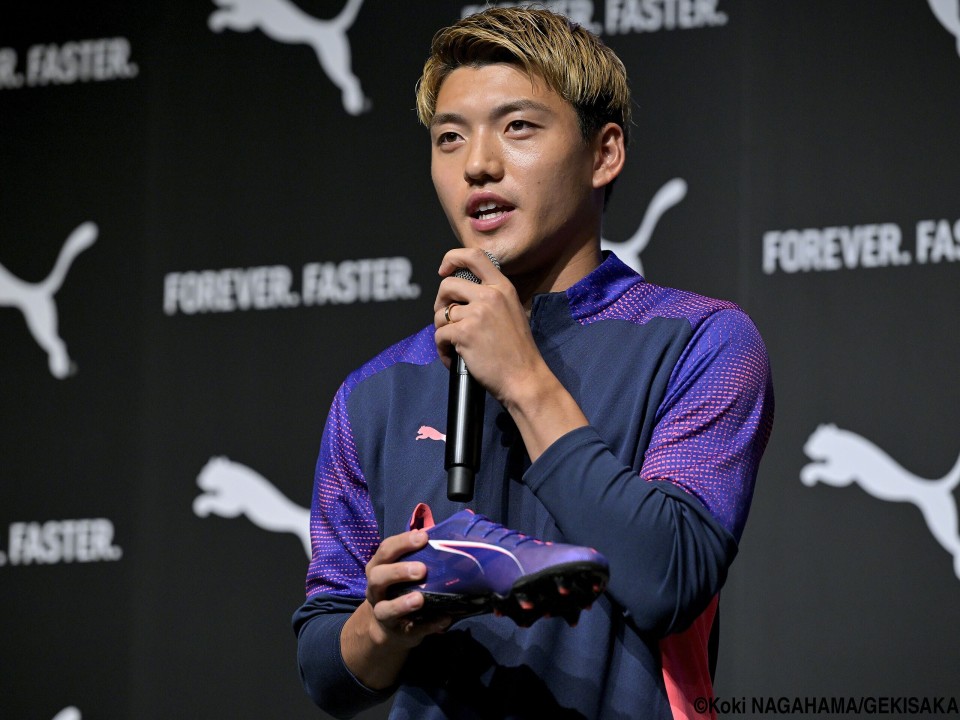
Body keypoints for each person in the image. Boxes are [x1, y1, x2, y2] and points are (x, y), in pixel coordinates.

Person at [293, 7, 774, 719]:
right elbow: (324, 668)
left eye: (517, 127)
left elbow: (668, 577)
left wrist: (522, 378)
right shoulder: (376, 391)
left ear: (603, 154)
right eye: (449, 137)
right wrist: (383, 623)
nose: (477, 164)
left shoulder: (702, 342)